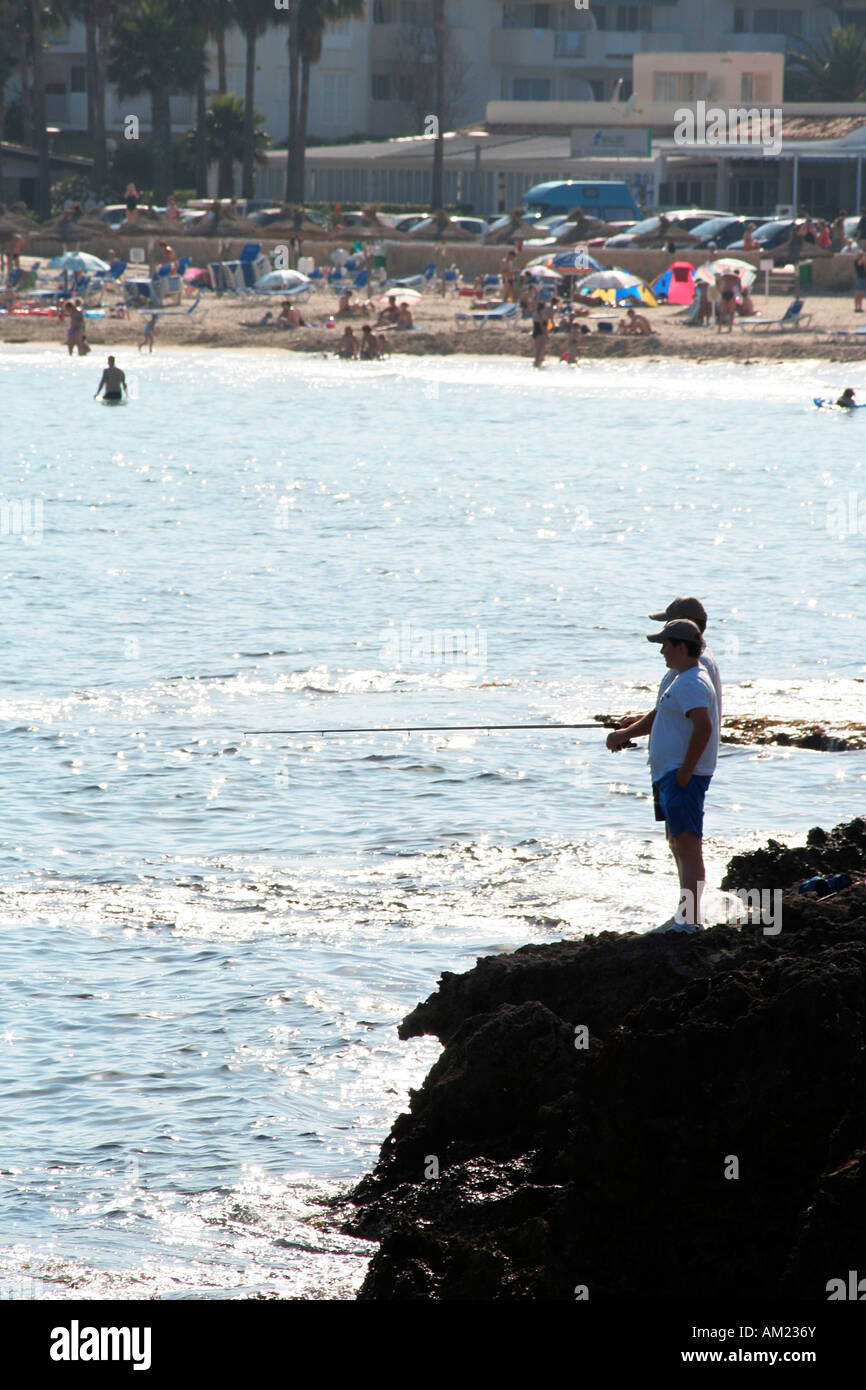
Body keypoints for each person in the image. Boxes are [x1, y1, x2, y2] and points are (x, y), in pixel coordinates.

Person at [607, 615, 719, 932]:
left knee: (687, 845)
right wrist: (623, 733)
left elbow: (704, 726)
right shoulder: (681, 679)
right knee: (679, 844)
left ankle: (690, 920)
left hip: (681, 777)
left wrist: (684, 773)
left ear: (681, 647)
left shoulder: (694, 681)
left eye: (665, 646)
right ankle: (685, 916)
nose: (661, 652)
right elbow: (660, 717)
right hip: (671, 776)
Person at [531, 300, 548, 368]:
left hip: (539, 330)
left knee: (540, 346)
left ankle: (538, 360)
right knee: (539, 346)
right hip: (539, 331)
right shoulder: (538, 314)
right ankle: (537, 360)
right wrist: (545, 333)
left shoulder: (540, 313)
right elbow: (541, 324)